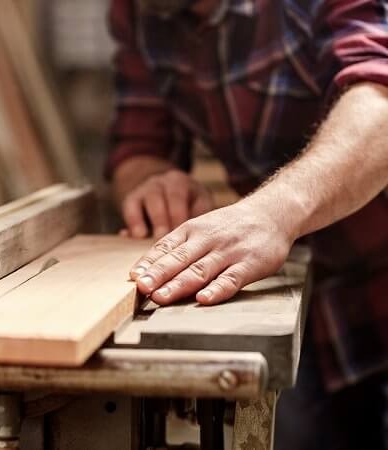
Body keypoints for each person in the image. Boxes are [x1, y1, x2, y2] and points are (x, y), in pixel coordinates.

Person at [107, 0, 388, 448]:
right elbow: (137, 142)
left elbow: (381, 101)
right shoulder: (140, 11)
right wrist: (152, 181)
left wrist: (271, 215)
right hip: (308, 301)